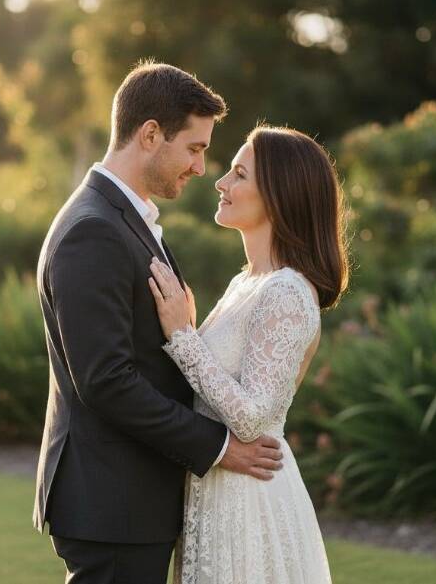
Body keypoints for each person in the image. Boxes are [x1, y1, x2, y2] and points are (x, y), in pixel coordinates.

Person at [33, 61, 285, 584]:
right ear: (150, 134)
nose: (200, 167)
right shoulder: (93, 231)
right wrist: (220, 449)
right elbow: (106, 380)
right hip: (113, 504)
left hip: (131, 500)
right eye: (193, 148)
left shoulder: (127, 219)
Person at [148, 124, 349, 583]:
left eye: (239, 174)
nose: (221, 182)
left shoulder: (287, 292)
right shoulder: (247, 283)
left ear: (280, 195)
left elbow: (253, 419)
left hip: (248, 499)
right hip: (217, 489)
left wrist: (183, 336)